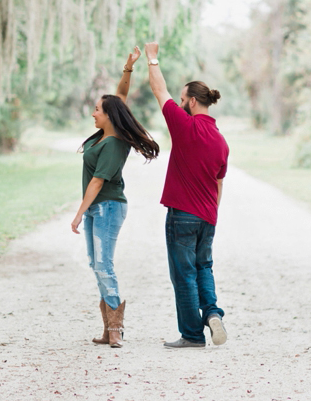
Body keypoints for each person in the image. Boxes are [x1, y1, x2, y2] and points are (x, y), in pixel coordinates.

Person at [71, 48, 161, 347]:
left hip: (107, 207)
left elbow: (97, 182)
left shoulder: (113, 143)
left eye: (97, 109)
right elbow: (119, 99)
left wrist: (79, 212)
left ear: (108, 116)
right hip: (99, 208)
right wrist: (128, 67)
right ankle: (108, 327)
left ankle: (116, 329)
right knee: (96, 264)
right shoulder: (105, 133)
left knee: (103, 265)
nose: (94, 112)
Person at [143, 46, 230, 349]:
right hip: (208, 217)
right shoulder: (221, 141)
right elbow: (219, 184)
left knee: (184, 275)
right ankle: (213, 314)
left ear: (193, 101)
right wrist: (212, 214)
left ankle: (193, 335)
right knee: (203, 267)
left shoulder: (184, 126)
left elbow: (158, 88)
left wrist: (152, 58)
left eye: (182, 100)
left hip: (181, 215)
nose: (178, 104)